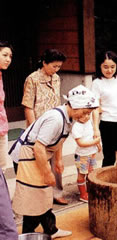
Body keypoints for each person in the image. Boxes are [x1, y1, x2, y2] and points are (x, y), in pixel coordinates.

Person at [11, 84, 99, 238]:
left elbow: (58, 141)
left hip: (39, 155)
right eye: (85, 113)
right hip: (26, 156)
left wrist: (58, 160)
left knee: (44, 195)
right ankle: (28, 235)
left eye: (89, 114)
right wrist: (47, 173)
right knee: (34, 199)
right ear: (75, 106)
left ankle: (51, 229)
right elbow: (39, 147)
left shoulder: (70, 118)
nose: (86, 117)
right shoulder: (55, 119)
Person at [20, 48, 68, 205]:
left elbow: (57, 102)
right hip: (39, 125)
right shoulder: (32, 79)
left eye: (59, 67)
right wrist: (32, 128)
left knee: (57, 160)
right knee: (39, 161)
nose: (56, 70)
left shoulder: (57, 79)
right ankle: (40, 195)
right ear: (44, 63)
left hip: (55, 124)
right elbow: (28, 106)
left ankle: (57, 192)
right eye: (54, 66)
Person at [0, 40, 18, 239]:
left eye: (10, 56)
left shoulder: (1, 75)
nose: (8, 59)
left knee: (1, 173)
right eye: (5, 54)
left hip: (2, 131)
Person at [71, 114, 101, 203]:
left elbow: (92, 135)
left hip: (91, 153)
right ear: (76, 116)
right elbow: (80, 143)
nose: (87, 117)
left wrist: (98, 144)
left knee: (90, 171)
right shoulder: (76, 127)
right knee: (82, 173)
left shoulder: (89, 122)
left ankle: (90, 190)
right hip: (82, 155)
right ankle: (83, 194)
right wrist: (94, 142)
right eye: (83, 115)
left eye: (88, 114)